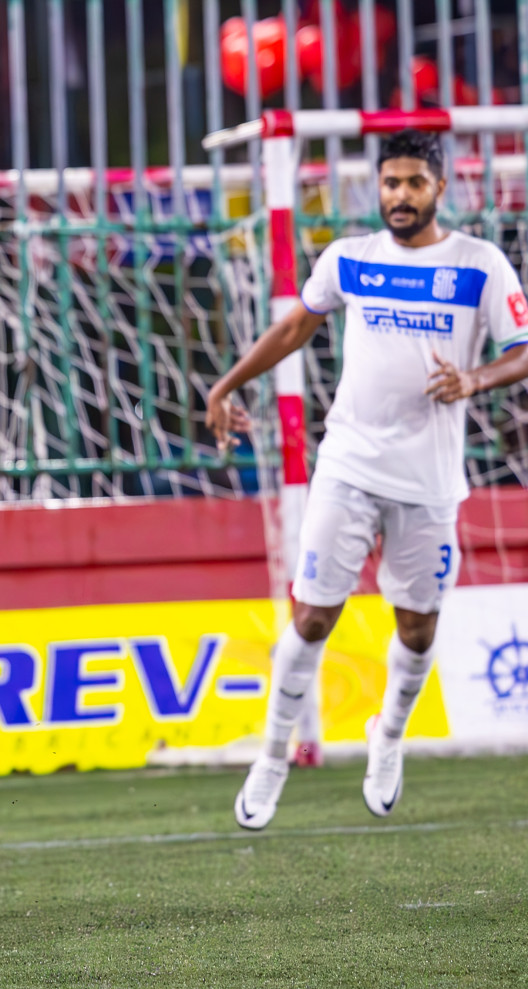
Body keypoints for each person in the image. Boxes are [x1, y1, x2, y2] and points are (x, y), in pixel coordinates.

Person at [207, 129, 528, 831]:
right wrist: (226, 384)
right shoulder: (351, 258)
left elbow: (523, 350)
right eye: (390, 183)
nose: (401, 195)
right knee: (312, 614)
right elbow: (294, 328)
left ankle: (388, 739)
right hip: (347, 465)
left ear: (440, 187)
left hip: (430, 483)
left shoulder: (480, 264)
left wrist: (474, 378)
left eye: (415, 182)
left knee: (416, 630)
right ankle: (271, 756)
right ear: (377, 188)